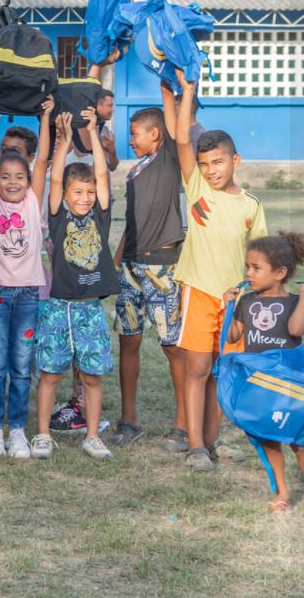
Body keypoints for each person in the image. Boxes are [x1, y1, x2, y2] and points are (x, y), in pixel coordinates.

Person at [170, 73, 268, 471]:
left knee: (222, 372)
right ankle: (194, 445)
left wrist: (250, 300)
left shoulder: (251, 205)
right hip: (198, 291)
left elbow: (258, 259)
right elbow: (180, 141)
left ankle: (212, 441)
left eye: (219, 162)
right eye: (206, 164)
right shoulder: (199, 190)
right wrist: (188, 92)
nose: (211, 170)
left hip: (236, 302)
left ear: (235, 161)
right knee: (196, 368)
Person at [33, 111, 120, 461]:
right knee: (50, 375)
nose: (84, 197)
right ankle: (41, 435)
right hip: (58, 308)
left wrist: (93, 134)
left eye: (89, 192)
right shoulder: (58, 215)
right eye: (77, 192)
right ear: (66, 195)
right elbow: (55, 179)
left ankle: (93, 435)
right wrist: (65, 139)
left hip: (89, 309)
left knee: (92, 376)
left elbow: (101, 172)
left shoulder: (99, 213)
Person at [111, 102, 187, 450]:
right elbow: (132, 221)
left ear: (155, 134)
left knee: (172, 345)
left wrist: (168, 83)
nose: (131, 140)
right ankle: (130, 420)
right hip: (131, 267)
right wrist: (117, 260)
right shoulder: (134, 171)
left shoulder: (169, 159)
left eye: (134, 133)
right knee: (129, 340)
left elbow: (175, 125)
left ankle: (184, 424)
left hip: (162, 267)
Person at [0, 95, 53, 459]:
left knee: (22, 364)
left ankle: (18, 429)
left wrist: (46, 116)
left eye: (19, 177)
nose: (13, 182)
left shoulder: (32, 201)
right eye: (5, 177)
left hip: (27, 294)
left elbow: (41, 160)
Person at [223, 232, 304, 512]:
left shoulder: (294, 301)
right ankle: (282, 490)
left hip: (288, 385)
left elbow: (295, 330)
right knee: (268, 437)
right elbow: (233, 337)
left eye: (256, 268)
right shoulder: (247, 302)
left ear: (280, 272)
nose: (249, 273)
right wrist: (229, 306)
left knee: (298, 440)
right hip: (260, 384)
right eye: (248, 267)